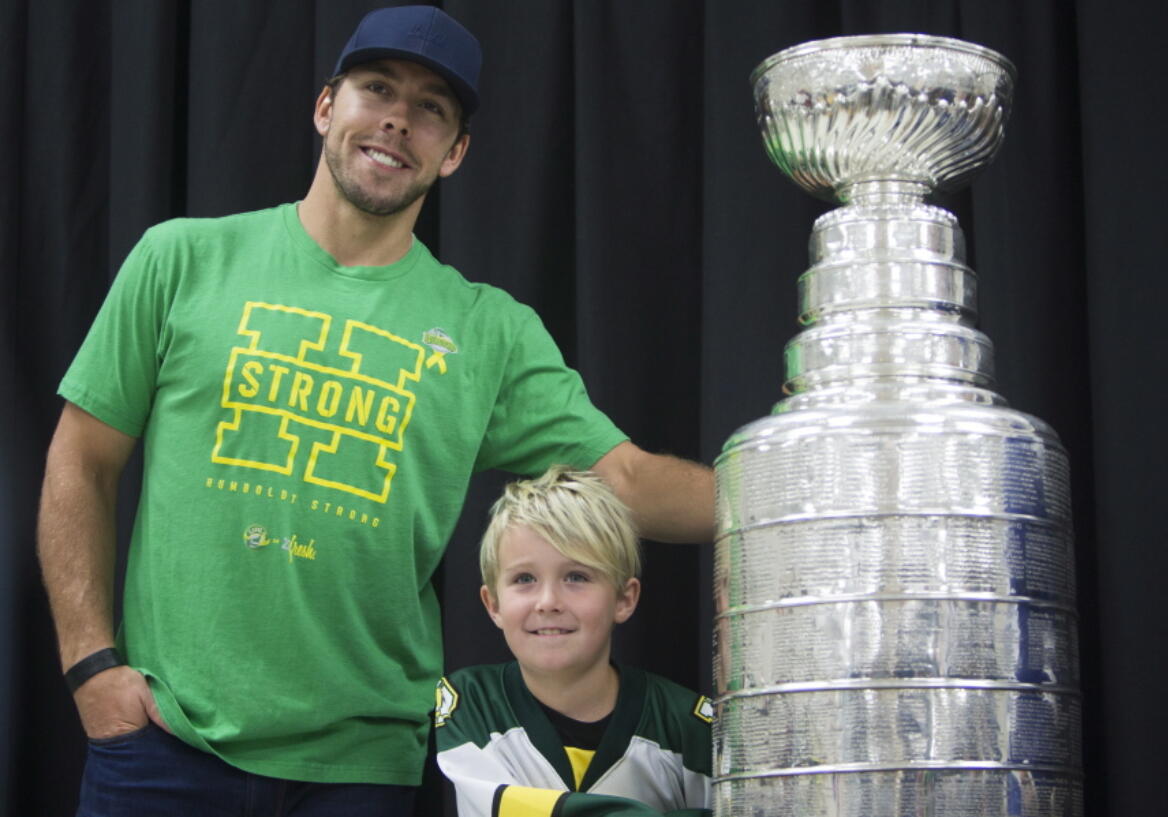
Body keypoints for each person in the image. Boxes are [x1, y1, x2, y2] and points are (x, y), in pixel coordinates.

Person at [37, 5, 713, 815]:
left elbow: (629, 480)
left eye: (432, 109)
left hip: (363, 768)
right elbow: (82, 459)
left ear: (455, 151)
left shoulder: (486, 330)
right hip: (163, 747)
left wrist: (808, 490)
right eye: (377, 88)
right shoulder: (181, 259)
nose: (398, 118)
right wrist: (89, 664)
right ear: (328, 106)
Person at [435, 467, 712, 817]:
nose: (548, 601)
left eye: (576, 577)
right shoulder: (471, 703)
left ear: (624, 599)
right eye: (525, 578)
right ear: (493, 604)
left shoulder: (687, 725)